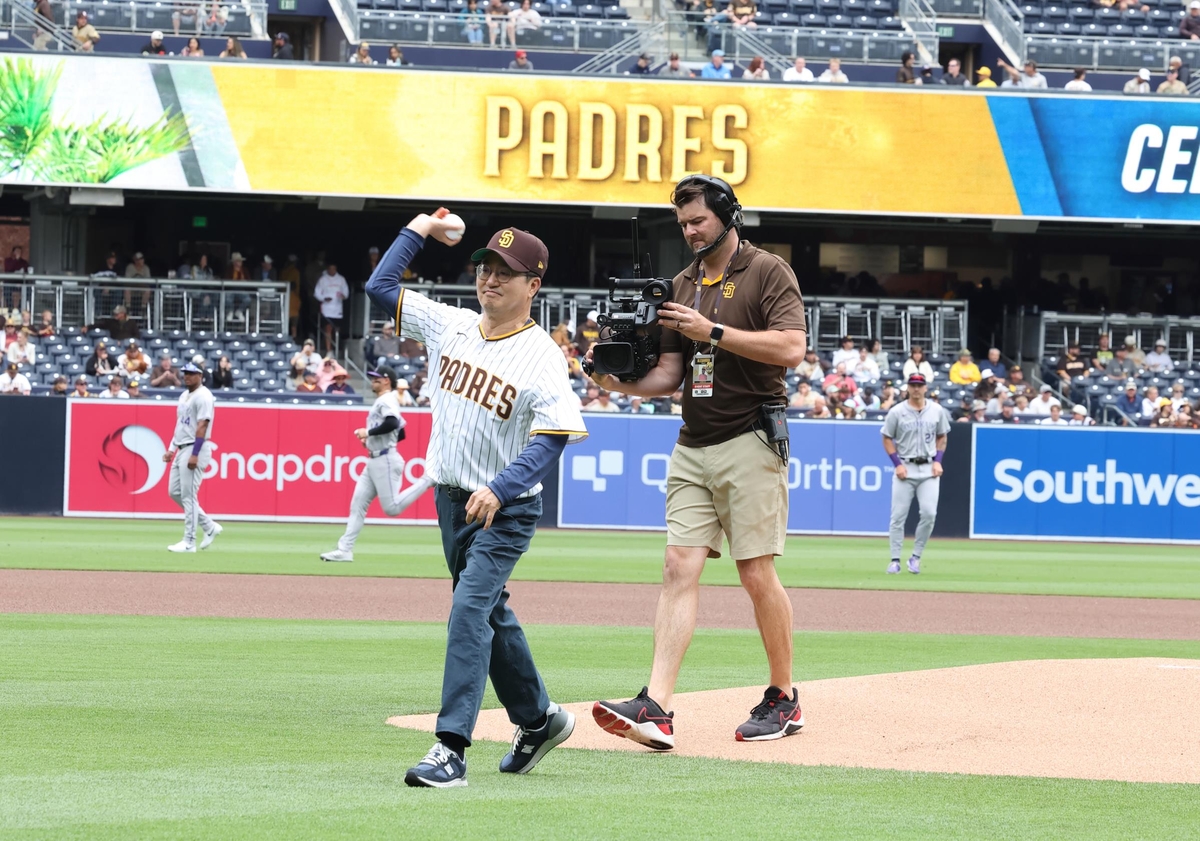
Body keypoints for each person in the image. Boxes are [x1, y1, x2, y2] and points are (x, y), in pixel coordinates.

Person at [364, 210, 587, 788]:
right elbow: (380, 287)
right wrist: (417, 228)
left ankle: (450, 748)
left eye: (505, 273)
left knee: (467, 612)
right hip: (451, 499)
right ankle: (539, 720)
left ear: (533, 286)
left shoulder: (541, 355)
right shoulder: (451, 324)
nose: (490, 280)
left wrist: (501, 486)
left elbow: (553, 438)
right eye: (486, 268)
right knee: (489, 613)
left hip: (505, 509)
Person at [590, 175, 807, 749]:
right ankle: (657, 707)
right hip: (693, 441)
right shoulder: (680, 284)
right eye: (683, 224)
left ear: (727, 216)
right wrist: (610, 378)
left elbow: (791, 348)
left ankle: (783, 697)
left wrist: (714, 330)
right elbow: (668, 376)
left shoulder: (767, 270)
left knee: (755, 571)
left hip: (752, 435)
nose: (689, 232)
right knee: (677, 566)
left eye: (698, 222)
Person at [319, 367, 438, 563]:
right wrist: (373, 441)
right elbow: (401, 432)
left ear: (386, 381)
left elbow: (392, 423)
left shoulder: (387, 399)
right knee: (357, 504)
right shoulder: (384, 400)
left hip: (386, 460)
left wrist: (369, 433)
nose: (372, 381)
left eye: (376, 379)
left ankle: (428, 480)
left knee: (392, 508)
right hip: (374, 459)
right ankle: (344, 550)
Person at [882, 373, 950, 575]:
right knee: (898, 517)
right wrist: (897, 464)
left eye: (919, 385)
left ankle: (916, 557)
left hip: (928, 468)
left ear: (926, 387)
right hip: (906, 466)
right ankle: (895, 559)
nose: (916, 388)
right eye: (913, 384)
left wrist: (938, 461)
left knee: (929, 514)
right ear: (908, 387)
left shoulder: (936, 410)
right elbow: (886, 437)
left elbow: (942, 436)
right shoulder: (896, 411)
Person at [164, 362, 222, 553]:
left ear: (200, 375)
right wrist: (172, 448)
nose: (186, 376)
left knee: (189, 496)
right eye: (185, 373)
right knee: (174, 492)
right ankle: (209, 526)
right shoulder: (184, 395)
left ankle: (189, 541)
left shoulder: (204, 396)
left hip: (196, 447)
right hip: (182, 447)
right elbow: (181, 424)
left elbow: (202, 426)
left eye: (191, 373)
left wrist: (195, 454)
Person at [314, 264, 349, 355]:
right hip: (326, 309)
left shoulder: (341, 279)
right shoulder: (322, 279)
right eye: (330, 269)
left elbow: (346, 292)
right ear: (328, 269)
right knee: (328, 329)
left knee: (336, 330)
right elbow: (316, 293)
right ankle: (329, 350)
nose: (332, 270)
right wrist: (324, 298)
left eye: (334, 269)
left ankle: (336, 348)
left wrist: (343, 296)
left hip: (337, 309)